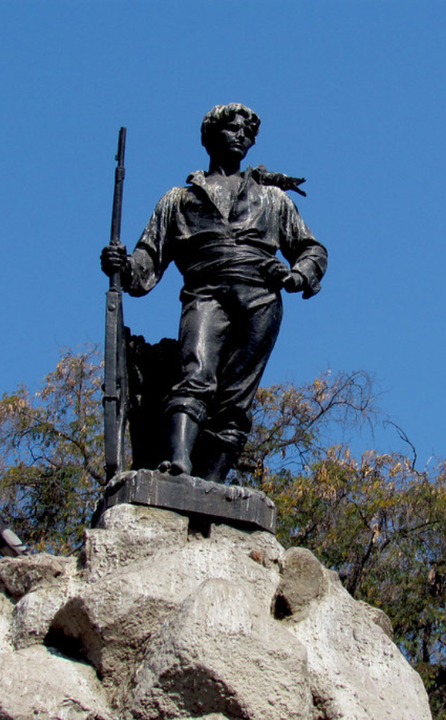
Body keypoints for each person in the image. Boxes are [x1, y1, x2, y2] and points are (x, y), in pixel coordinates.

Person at [101, 104, 327, 483]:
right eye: (232, 128)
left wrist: (296, 276)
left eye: (247, 132)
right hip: (205, 291)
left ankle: (211, 485)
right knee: (195, 373)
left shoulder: (272, 199)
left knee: (236, 398)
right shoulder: (179, 200)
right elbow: (146, 260)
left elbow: (312, 249)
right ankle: (178, 464)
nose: (241, 136)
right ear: (210, 136)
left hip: (261, 298)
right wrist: (121, 264)